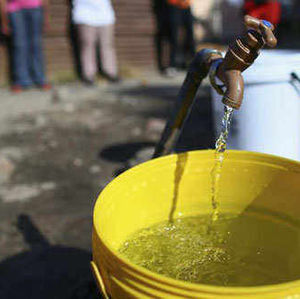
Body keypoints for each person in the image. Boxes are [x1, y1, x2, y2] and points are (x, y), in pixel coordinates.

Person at [0, 0, 51, 93]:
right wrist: (4, 21)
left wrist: (46, 16)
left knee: (36, 45)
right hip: (15, 10)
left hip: (36, 8)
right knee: (19, 45)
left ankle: (40, 78)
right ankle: (21, 80)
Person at [72, 0, 119, 85]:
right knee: (87, 46)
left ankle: (111, 72)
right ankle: (88, 75)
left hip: (105, 16)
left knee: (107, 45)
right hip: (85, 16)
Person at [166, 0, 195, 75]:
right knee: (174, 36)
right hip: (173, 4)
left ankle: (192, 63)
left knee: (190, 36)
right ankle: (172, 65)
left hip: (186, 5)